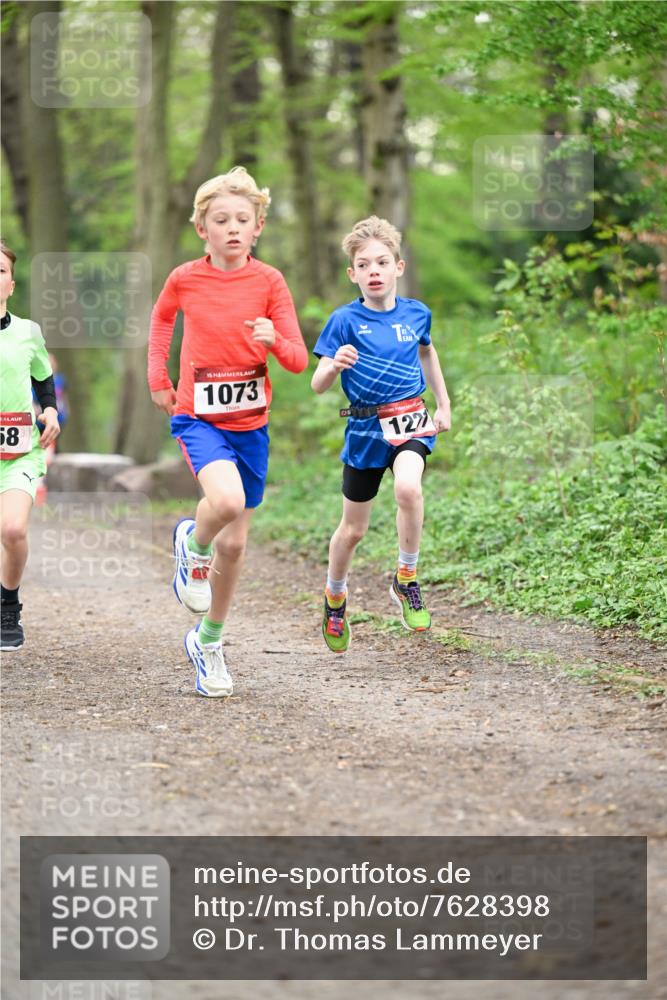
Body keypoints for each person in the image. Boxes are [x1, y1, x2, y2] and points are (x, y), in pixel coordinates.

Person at [148, 166, 307, 697]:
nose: (233, 228)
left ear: (258, 227)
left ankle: (208, 642)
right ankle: (193, 546)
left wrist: (273, 339)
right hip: (197, 417)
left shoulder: (269, 282)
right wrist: (159, 377)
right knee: (228, 500)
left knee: (236, 547)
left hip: (250, 425)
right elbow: (163, 320)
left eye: (244, 219)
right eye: (222, 220)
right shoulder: (185, 277)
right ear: (203, 228)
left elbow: (298, 360)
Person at [311, 216, 451, 652]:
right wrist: (333, 365)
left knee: (409, 488)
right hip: (364, 428)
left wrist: (443, 404)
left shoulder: (417, 314)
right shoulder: (343, 321)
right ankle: (336, 597)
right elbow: (317, 383)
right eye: (364, 264)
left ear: (398, 268)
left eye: (382, 262)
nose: (374, 271)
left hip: (410, 417)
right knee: (352, 530)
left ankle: (405, 577)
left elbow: (428, 355)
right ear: (352, 274)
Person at [0, 241, 60, 650]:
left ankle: (7, 606)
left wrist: (51, 412)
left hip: (18, 451)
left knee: (13, 529)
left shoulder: (28, 332)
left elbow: (43, 377)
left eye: (0, 271)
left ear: (11, 284)